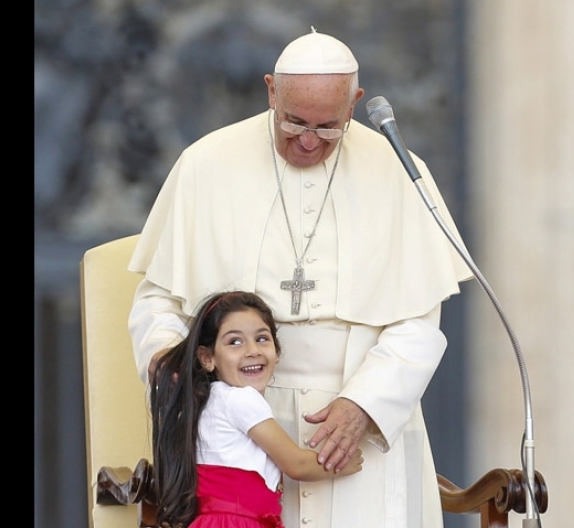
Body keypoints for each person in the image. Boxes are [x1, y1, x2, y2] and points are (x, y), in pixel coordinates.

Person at [128, 27, 474, 528]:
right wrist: (172, 366)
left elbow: (420, 323)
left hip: (358, 418)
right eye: (292, 123)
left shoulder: (399, 170)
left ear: (354, 103)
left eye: (328, 127)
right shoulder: (205, 164)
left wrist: (365, 405)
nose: (309, 141)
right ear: (271, 90)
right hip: (236, 421)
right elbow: (158, 299)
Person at [149, 290, 363, 528]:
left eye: (262, 338)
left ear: (277, 352)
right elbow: (296, 464)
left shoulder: (207, 401)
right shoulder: (241, 400)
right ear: (207, 358)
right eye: (235, 342)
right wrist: (344, 462)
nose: (252, 350)